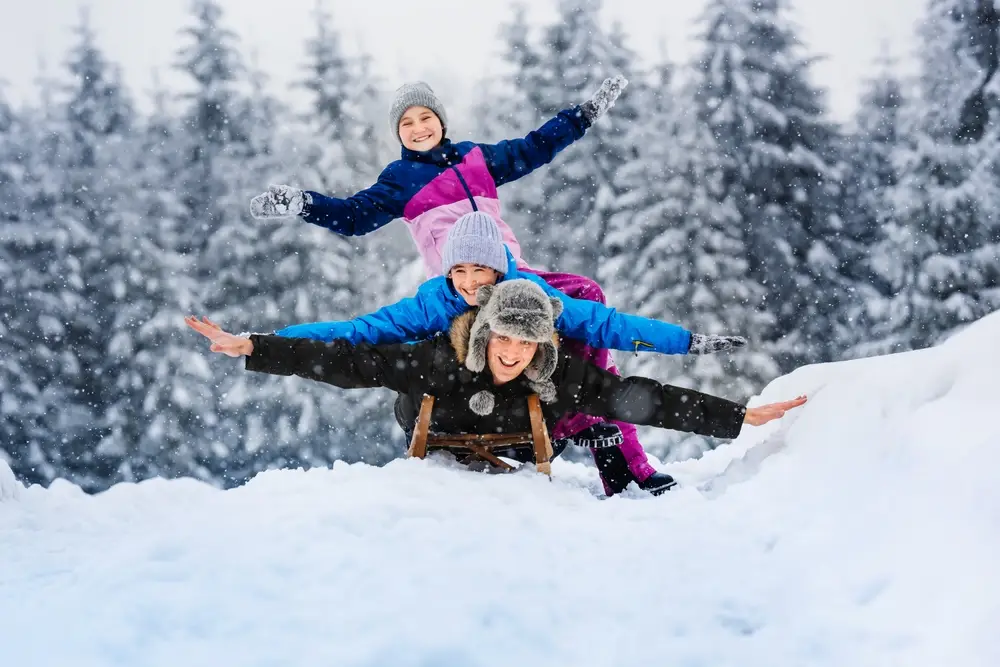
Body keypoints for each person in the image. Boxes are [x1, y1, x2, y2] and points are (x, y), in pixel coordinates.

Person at [247, 76, 744, 493]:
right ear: (398, 133)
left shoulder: (475, 159)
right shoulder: (399, 180)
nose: (418, 128)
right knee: (580, 311)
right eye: (407, 123)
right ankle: (592, 429)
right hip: (464, 291)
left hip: (516, 277)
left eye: (425, 118)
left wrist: (582, 116)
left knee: (587, 299)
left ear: (441, 121)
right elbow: (352, 217)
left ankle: (608, 442)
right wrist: (302, 203)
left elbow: (533, 149)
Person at [184, 280, 807, 496]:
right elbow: (353, 362)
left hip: (518, 444)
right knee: (386, 372)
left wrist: (738, 417)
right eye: (503, 340)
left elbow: (639, 397)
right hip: (443, 429)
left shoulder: (555, 373)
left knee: (600, 416)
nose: (511, 353)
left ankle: (622, 470)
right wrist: (255, 347)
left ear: (541, 344)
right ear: (486, 335)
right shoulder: (441, 357)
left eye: (525, 343)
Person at [273, 210, 747, 493]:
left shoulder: (525, 296)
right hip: (450, 395)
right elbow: (361, 332)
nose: (469, 282)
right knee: (405, 359)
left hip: (519, 399)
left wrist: (685, 342)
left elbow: (605, 326)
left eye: (480, 270)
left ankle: (600, 437)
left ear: (500, 271)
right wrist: (276, 342)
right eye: (458, 270)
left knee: (586, 317)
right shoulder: (436, 301)